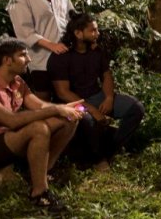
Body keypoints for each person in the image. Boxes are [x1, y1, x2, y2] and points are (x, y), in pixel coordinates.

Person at [0, 38, 83, 211]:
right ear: (8, 60)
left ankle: (44, 172)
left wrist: (64, 108)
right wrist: (56, 110)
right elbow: (11, 120)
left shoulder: (17, 82)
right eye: (23, 55)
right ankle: (39, 194)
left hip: (7, 138)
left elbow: (39, 106)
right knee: (38, 128)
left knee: (68, 119)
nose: (29, 59)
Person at [49, 11, 145, 170]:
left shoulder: (96, 51)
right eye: (93, 31)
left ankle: (111, 150)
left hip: (96, 95)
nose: (97, 34)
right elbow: (62, 93)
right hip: (72, 101)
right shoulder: (61, 57)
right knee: (88, 120)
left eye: (97, 30)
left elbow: (106, 75)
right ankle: (98, 159)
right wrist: (92, 110)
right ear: (78, 34)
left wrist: (108, 98)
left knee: (136, 108)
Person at [7, 0, 74, 101]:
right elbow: (24, 33)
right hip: (41, 61)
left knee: (67, 102)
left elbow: (72, 19)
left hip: (66, 58)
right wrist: (52, 45)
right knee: (44, 103)